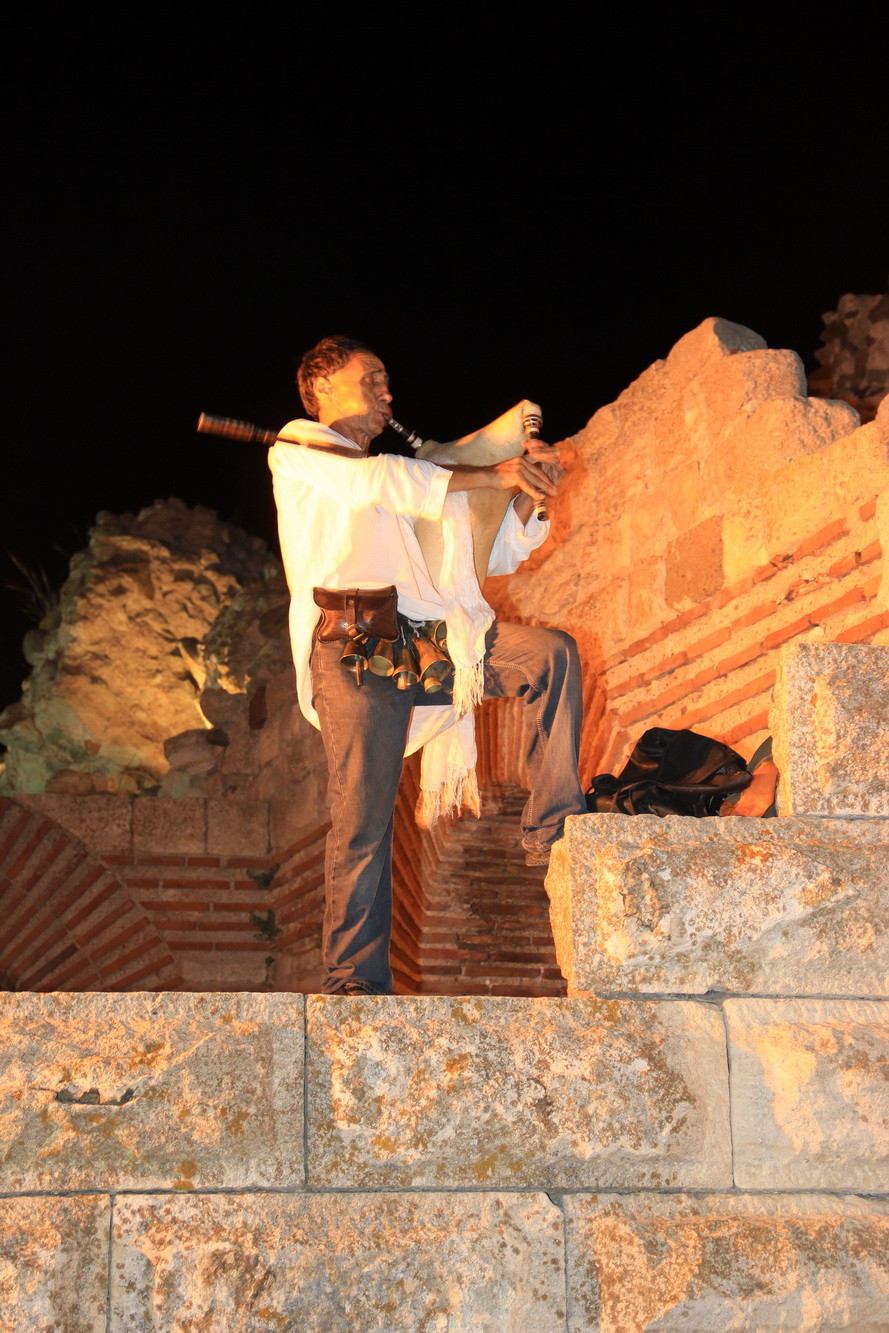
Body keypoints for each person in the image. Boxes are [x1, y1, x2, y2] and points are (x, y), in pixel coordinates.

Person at [269, 334, 585, 995]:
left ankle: (555, 830)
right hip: (353, 646)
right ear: (322, 385)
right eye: (371, 378)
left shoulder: (406, 483)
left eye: (387, 381)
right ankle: (355, 982)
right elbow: (379, 479)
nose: (387, 392)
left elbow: (487, 549)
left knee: (549, 657)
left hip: (423, 642)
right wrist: (491, 472)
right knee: (363, 818)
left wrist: (529, 492)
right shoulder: (300, 449)